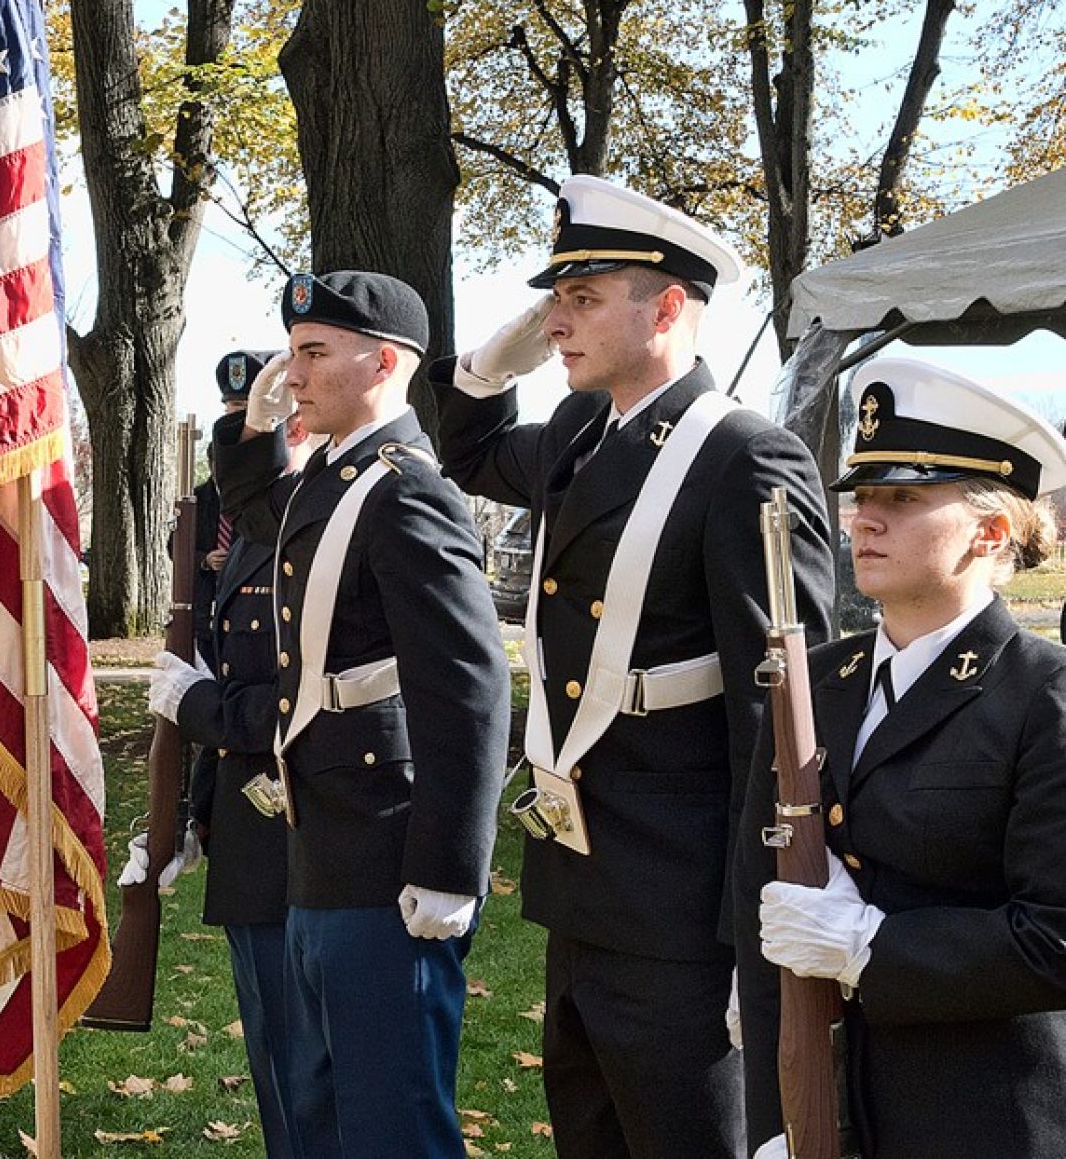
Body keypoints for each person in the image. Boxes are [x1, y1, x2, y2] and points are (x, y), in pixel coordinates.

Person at [428, 175, 834, 1159]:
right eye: (553, 301)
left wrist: (763, 959)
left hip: (684, 909)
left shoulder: (745, 457)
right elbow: (469, 449)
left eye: (583, 297)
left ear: (665, 308)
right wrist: (491, 361)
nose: (557, 322)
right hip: (583, 888)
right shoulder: (579, 431)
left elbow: (781, 732)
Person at [210, 269, 510, 1157]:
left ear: (383, 362)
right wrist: (256, 424)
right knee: (323, 1111)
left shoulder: (408, 488)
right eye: (291, 355)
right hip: (326, 842)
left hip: (387, 854)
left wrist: (453, 868)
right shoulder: (335, 477)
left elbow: (467, 684)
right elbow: (260, 508)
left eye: (311, 354)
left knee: (391, 1120)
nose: (292, 373)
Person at [736, 358, 1066, 1159]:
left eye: (905, 499)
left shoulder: (1042, 696)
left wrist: (868, 945)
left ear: (990, 532)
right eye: (863, 497)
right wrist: (773, 1110)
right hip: (831, 1095)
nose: (864, 521)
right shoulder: (818, 678)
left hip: (983, 1113)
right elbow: (761, 894)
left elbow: (1056, 938)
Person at [142, 407, 322, 1159]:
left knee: (326, 1070)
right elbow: (235, 669)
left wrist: (199, 706)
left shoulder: (334, 520)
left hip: (321, 820)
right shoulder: (249, 531)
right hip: (249, 835)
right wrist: (192, 817)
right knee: (278, 1067)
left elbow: (305, 697)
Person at [193, 351, 278, 665]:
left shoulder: (285, 489)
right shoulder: (202, 498)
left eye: (242, 408)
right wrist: (205, 560)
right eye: (229, 407)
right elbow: (178, 545)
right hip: (212, 613)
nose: (233, 419)